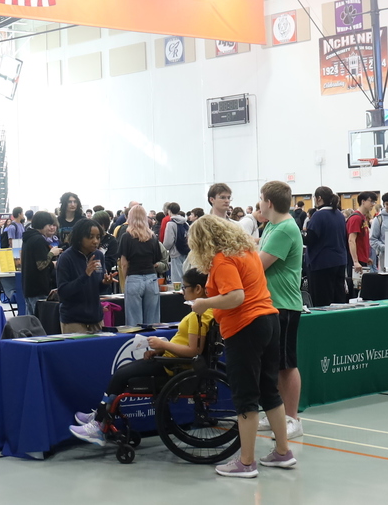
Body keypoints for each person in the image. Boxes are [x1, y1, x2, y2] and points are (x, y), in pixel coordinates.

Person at [187, 214, 295, 477]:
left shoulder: (222, 260)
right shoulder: (246, 251)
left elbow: (236, 297)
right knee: (269, 390)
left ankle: (246, 462)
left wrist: (204, 304)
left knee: (245, 396)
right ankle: (282, 451)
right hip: (270, 320)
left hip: (245, 327)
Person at [69, 268, 214, 445]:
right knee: (122, 373)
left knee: (121, 374)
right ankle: (101, 414)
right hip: (168, 359)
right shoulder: (203, 312)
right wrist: (159, 350)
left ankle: (100, 423)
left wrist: (163, 345)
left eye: (185, 287)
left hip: (173, 367)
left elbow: (194, 351)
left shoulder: (200, 315)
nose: (183, 291)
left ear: (198, 289)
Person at [254, 181, 305, 440]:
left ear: (269, 202)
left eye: (261, 199)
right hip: (270, 304)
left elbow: (258, 265)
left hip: (284, 305)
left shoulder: (284, 228)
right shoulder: (271, 226)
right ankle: (276, 413)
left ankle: (292, 418)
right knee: (272, 365)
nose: (259, 204)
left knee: (286, 365)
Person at [56, 218, 114, 333]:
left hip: (95, 318)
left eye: (98, 237)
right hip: (73, 320)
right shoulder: (66, 258)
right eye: (90, 237)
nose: (95, 241)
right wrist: (85, 275)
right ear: (79, 237)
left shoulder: (99, 255)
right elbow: (63, 292)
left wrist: (105, 283)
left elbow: (96, 288)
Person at [118, 205, 162, 326]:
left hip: (133, 278)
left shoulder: (126, 237)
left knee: (134, 323)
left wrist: (126, 279)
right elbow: (156, 259)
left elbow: (124, 263)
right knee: (153, 322)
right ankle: (153, 344)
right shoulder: (152, 237)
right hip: (151, 278)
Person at [305, 186, 349, 306]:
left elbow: (310, 240)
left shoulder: (318, 216)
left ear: (318, 198)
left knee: (322, 301)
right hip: (339, 261)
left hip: (321, 263)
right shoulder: (339, 215)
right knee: (338, 299)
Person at [22, 211, 61, 316]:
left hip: (29, 287)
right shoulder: (38, 239)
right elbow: (41, 265)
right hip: (39, 288)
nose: (51, 228)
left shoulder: (28, 238)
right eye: (49, 225)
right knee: (40, 323)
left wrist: (52, 264)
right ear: (42, 224)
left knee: (31, 323)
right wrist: (52, 253)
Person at [347, 192, 377, 285]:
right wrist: (355, 261)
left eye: (374, 202)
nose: (373, 204)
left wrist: (365, 257)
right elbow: (351, 240)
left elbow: (362, 240)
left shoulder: (363, 218)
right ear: (363, 201)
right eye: (371, 201)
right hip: (356, 261)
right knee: (357, 289)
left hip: (362, 260)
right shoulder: (356, 218)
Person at [162, 203, 189, 286]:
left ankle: (178, 296)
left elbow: (168, 242)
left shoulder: (171, 224)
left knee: (177, 279)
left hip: (175, 252)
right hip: (186, 252)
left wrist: (164, 248)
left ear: (169, 211)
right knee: (186, 275)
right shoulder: (185, 223)